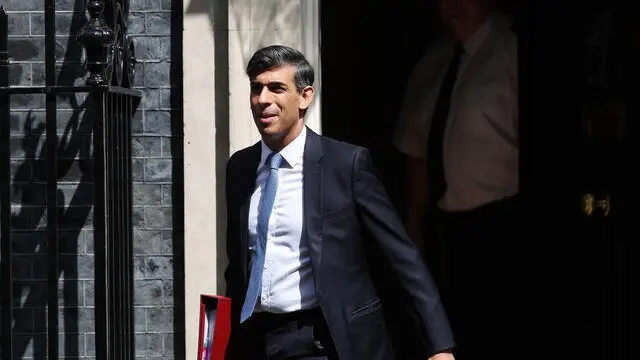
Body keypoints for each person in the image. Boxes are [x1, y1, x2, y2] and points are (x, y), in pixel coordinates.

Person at [224, 45, 456, 360]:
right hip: (255, 340)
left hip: (322, 340)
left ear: (305, 97)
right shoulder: (240, 168)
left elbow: (401, 258)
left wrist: (438, 346)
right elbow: (239, 264)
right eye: (256, 88)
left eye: (277, 88)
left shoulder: (345, 164)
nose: (263, 99)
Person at [393, 0, 519, 358]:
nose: (450, 6)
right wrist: (415, 225)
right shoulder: (434, 61)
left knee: (499, 331)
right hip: (445, 229)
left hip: (504, 222)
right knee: (450, 335)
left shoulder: (513, 50)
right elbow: (415, 149)